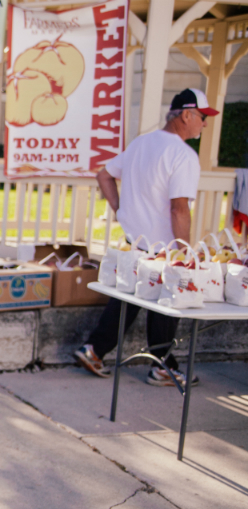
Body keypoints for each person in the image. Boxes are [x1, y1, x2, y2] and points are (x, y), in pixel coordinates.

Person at [74, 88, 218, 386]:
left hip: (136, 242)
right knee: (167, 305)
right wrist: (183, 251)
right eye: (203, 117)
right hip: (164, 248)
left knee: (127, 301)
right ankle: (164, 366)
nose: (205, 124)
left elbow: (104, 175)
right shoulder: (182, 155)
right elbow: (179, 208)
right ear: (186, 114)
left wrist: (119, 209)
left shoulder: (142, 143)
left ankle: (94, 349)